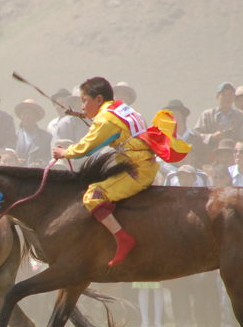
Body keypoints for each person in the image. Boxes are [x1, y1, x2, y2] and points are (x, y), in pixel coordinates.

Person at [52, 77, 188, 266]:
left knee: (92, 196)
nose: (82, 106)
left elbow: (86, 149)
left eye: (84, 101)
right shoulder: (120, 108)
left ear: (98, 100)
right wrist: (85, 115)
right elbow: (110, 126)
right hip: (144, 165)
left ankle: (122, 238)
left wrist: (64, 152)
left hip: (136, 170)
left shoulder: (105, 119)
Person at [14, 99, 53, 165]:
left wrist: (40, 162)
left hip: (37, 172)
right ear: (20, 117)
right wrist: (15, 160)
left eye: (29, 113)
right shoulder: (13, 135)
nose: (26, 117)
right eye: (24, 114)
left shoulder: (47, 137)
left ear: (36, 117)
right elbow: (7, 153)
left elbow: (51, 156)